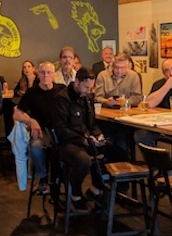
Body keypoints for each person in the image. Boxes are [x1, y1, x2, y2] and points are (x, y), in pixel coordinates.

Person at [52, 68, 125, 210]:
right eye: (86, 87)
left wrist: (98, 135)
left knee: (118, 153)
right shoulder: (62, 99)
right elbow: (61, 129)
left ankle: (95, 189)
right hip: (68, 142)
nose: (88, 91)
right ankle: (75, 193)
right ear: (77, 81)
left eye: (90, 87)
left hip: (87, 139)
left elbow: (92, 123)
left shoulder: (88, 98)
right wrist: (84, 140)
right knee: (83, 160)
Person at [13, 61, 65, 193]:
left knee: (67, 149)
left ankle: (61, 179)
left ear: (54, 75)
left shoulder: (62, 90)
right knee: (35, 147)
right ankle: (43, 178)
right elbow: (17, 113)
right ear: (38, 74)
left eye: (49, 72)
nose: (46, 75)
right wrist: (31, 121)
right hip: (41, 131)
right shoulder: (32, 92)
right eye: (42, 72)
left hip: (61, 131)